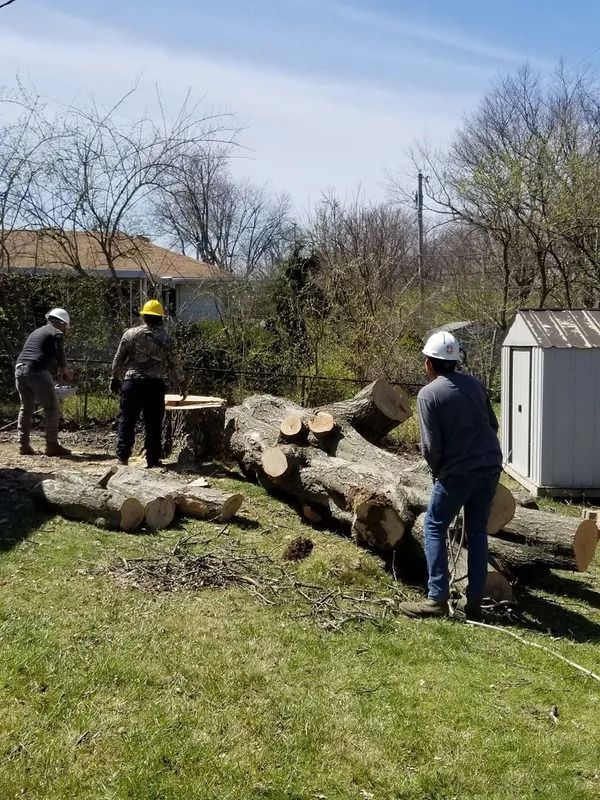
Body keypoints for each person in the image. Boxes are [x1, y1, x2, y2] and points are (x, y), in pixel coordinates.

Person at [399, 331, 502, 621]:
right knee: (478, 532)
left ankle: (436, 599)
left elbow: (431, 446)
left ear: (429, 364)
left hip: (458, 472)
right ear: (455, 361)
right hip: (491, 465)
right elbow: (492, 426)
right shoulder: (475, 385)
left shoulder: (428, 394)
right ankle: (474, 604)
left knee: (433, 526)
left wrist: (438, 471)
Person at [110, 299, 185, 469]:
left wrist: (114, 378)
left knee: (127, 421)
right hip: (154, 385)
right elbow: (175, 364)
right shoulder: (167, 339)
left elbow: (118, 359)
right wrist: (181, 384)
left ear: (143, 316)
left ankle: (122, 458)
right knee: (153, 424)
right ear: (161, 318)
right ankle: (152, 460)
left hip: (132, 383)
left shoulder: (130, 334)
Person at [15, 308, 74, 457]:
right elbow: (59, 352)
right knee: (51, 408)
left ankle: (24, 445)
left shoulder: (37, 332)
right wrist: (66, 370)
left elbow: (38, 353)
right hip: (36, 369)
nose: (64, 329)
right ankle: (52, 445)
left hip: (20, 369)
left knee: (26, 408)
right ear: (60, 323)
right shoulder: (56, 333)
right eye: (64, 325)